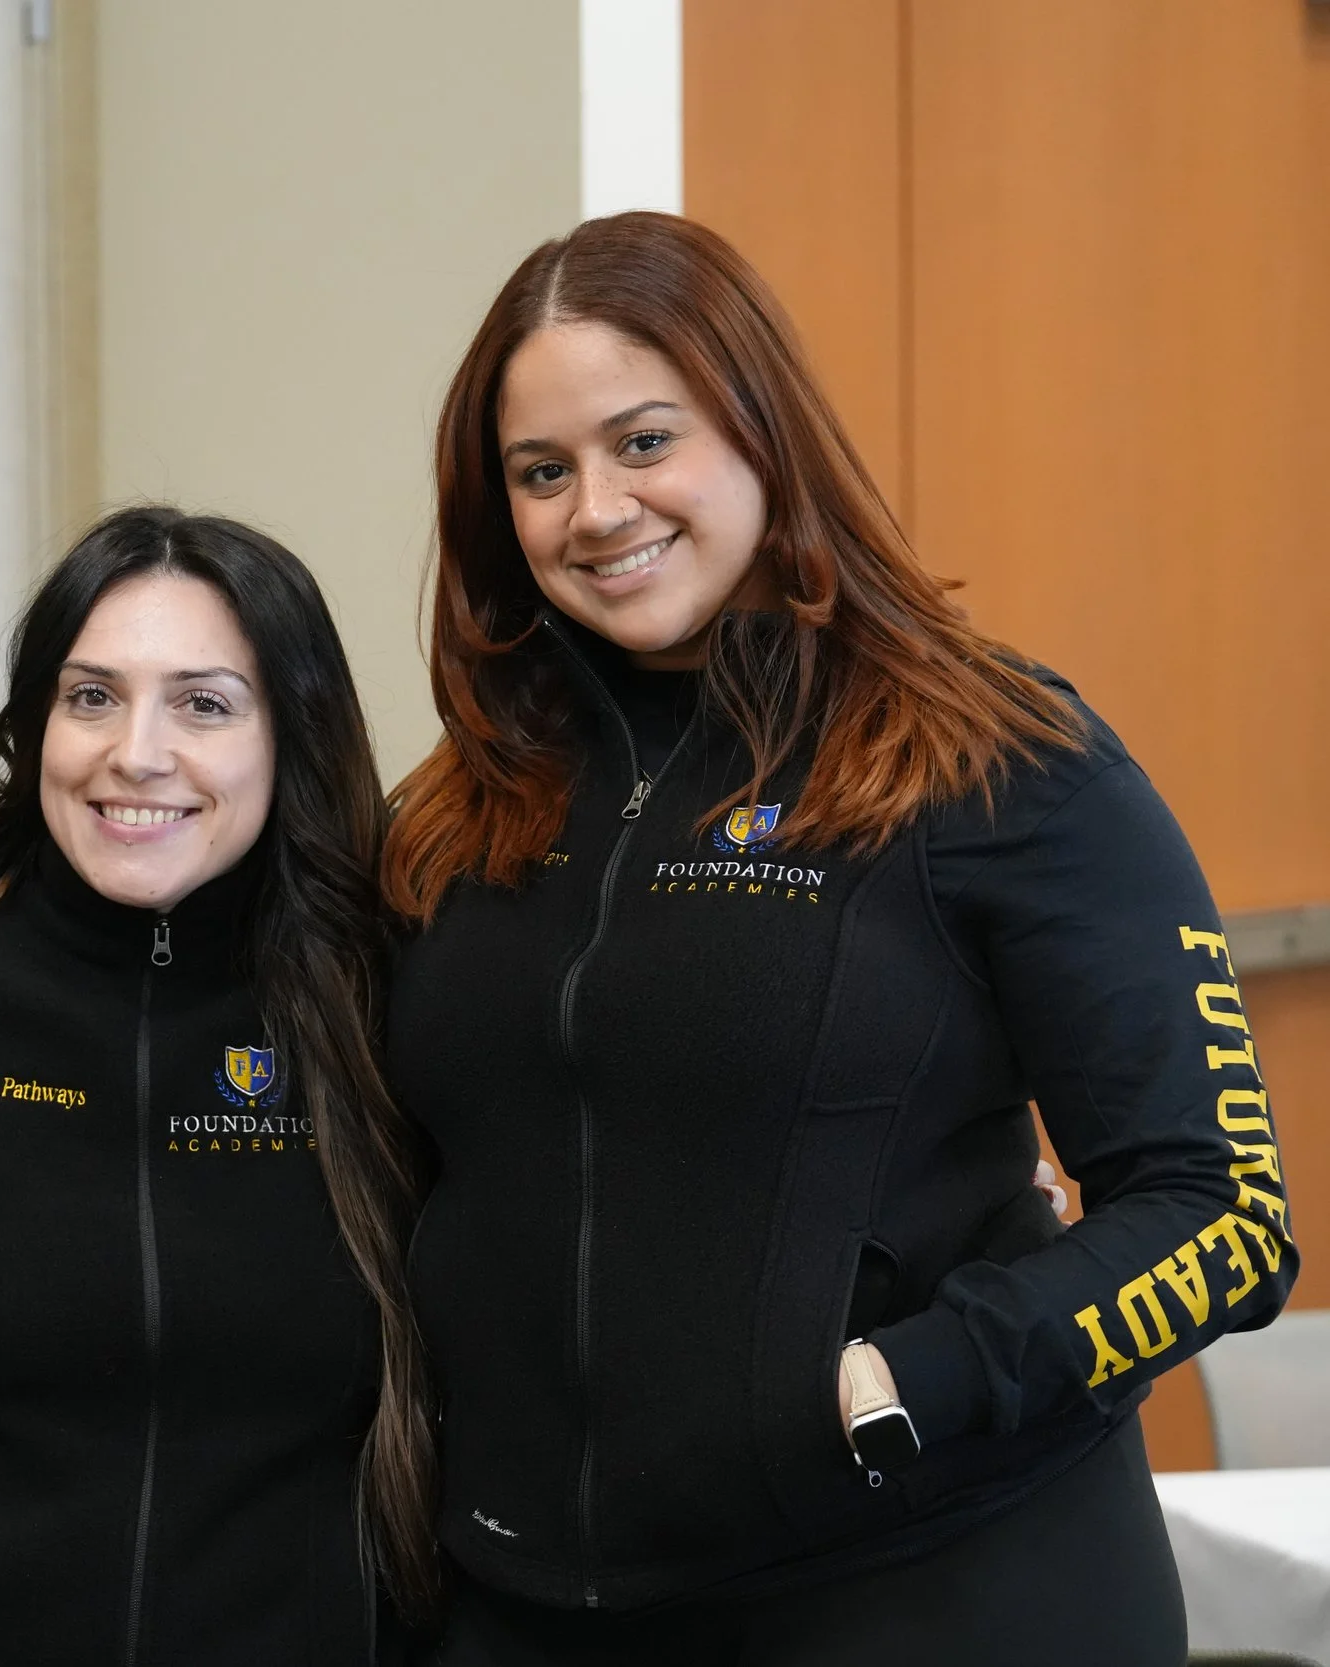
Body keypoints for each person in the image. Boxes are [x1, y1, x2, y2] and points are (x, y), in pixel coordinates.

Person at [383, 211, 1298, 1665]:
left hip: (936, 1581)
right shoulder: (460, 806)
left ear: (762, 428)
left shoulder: (996, 758)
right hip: (536, 1600)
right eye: (540, 471)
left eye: (643, 441)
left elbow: (1224, 1216)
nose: (595, 508)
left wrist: (903, 1382)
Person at [0, 508, 435, 1665]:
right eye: (91, 696)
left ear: (293, 731)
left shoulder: (398, 994)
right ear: (35, 726)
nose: (137, 752)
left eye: (204, 703)